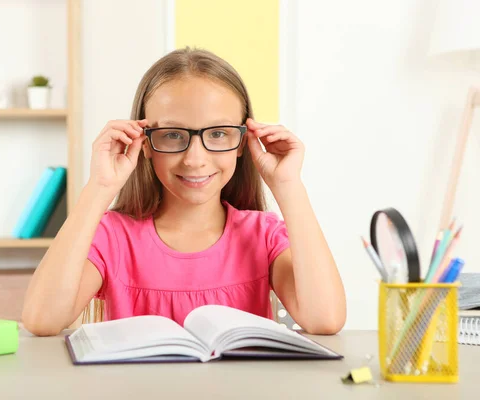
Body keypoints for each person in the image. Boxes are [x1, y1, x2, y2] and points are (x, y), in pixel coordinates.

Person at [22, 48, 346, 336]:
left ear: (243, 141)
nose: (194, 159)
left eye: (218, 133)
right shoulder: (114, 237)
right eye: (173, 135)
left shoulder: (262, 235)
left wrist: (289, 186)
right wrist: (100, 186)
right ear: (144, 142)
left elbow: (325, 319)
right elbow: (42, 319)